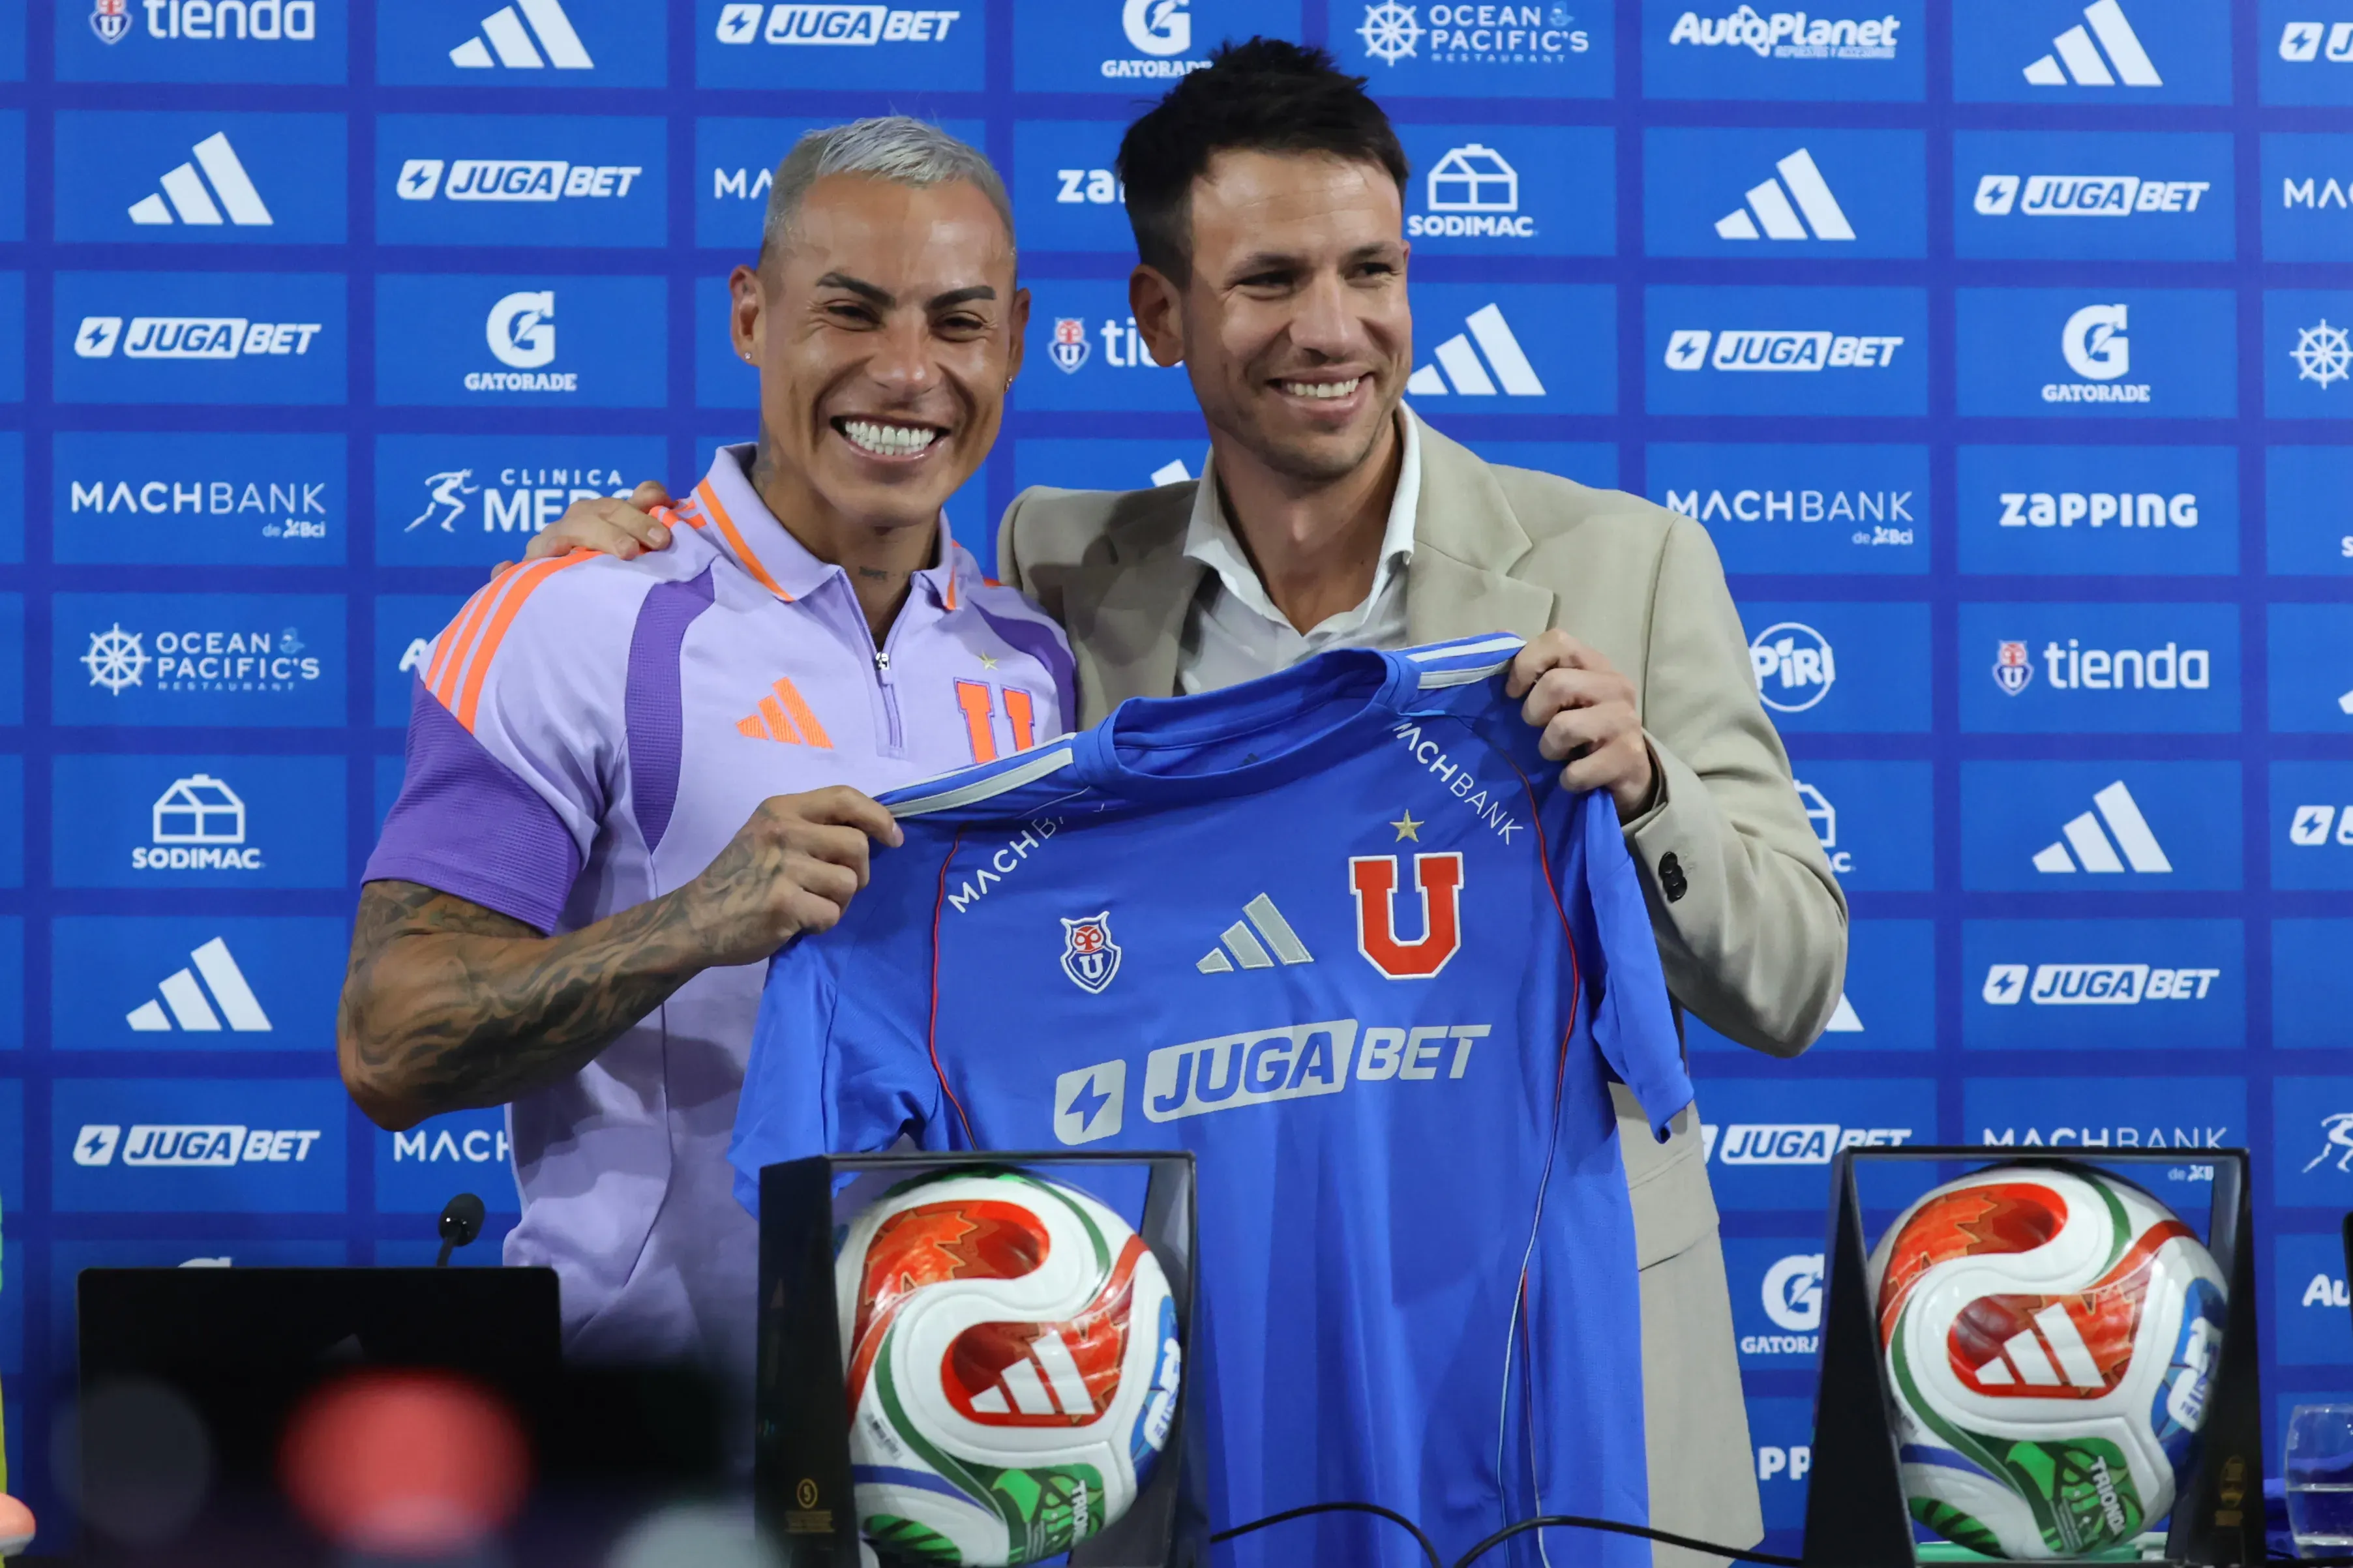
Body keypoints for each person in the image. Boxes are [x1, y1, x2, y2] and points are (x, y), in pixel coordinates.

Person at [536, 42, 1847, 1563]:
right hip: (1208, 1405)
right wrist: (647, 556)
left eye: (1373, 269)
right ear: (1160, 314)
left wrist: (1642, 796)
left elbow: (1795, 979)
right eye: (1271, 279)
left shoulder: (1623, 566)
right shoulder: (1053, 584)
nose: (1334, 328)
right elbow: (846, 584)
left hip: (1555, 1393)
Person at [338, 118, 1072, 1410]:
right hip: (645, 1457)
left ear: (1012, 338)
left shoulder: (1039, 665)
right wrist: (694, 921)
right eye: (851, 313)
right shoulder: (579, 615)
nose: (906, 372)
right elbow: (391, 1043)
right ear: (752, 316)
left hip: (967, 1451)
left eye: (957, 324)